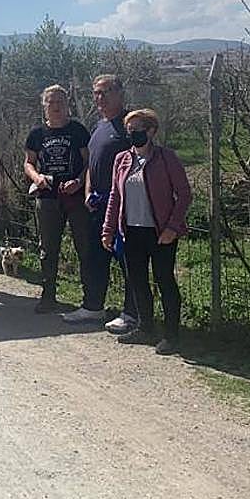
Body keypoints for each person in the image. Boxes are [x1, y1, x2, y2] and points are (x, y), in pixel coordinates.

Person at [102, 109, 192, 355]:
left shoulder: (166, 158)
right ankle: (145, 327)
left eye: (138, 128)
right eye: (129, 129)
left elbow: (184, 195)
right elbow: (115, 196)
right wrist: (108, 230)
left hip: (161, 232)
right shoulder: (122, 159)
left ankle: (171, 335)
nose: (133, 133)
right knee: (137, 280)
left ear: (151, 131)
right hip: (131, 231)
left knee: (164, 280)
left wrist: (173, 227)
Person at [66, 74, 137, 329]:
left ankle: (132, 314)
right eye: (96, 93)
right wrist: (87, 192)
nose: (100, 98)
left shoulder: (129, 126)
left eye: (105, 92)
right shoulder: (99, 126)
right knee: (95, 257)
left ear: (119, 93)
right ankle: (93, 307)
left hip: (122, 207)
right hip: (96, 205)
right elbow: (90, 165)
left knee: (128, 260)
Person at [24, 85, 91, 314]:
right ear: (44, 106)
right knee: (48, 247)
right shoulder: (36, 134)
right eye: (51, 101)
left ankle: (89, 299)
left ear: (67, 104)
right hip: (48, 197)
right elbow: (29, 162)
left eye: (60, 101)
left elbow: (89, 162)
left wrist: (80, 182)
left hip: (76, 197)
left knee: (84, 246)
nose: (56, 106)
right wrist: (36, 178)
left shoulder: (78, 131)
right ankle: (48, 295)